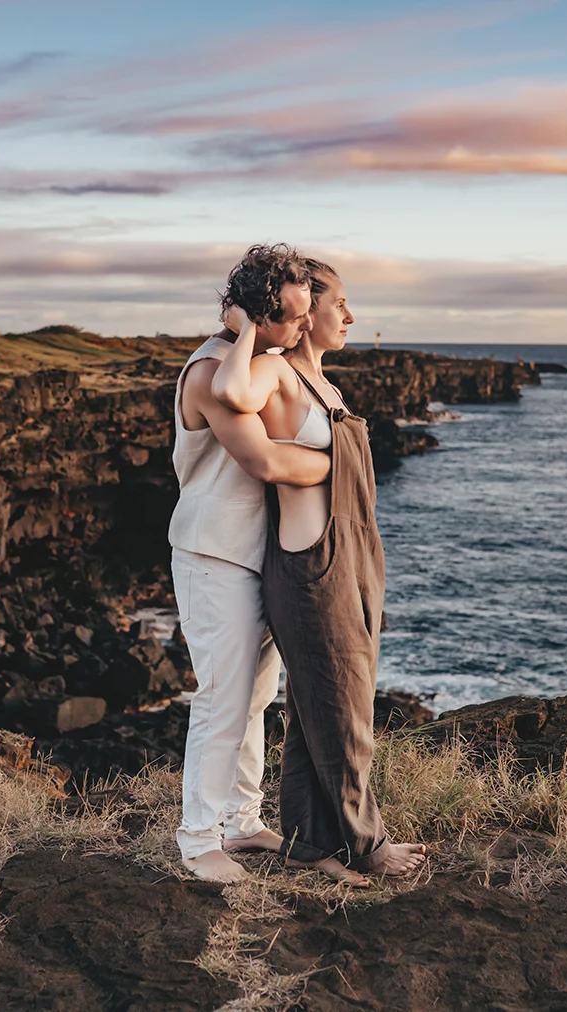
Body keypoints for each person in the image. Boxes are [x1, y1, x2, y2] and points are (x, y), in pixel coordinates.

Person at [211, 258, 427, 887]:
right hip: (312, 565)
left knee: (315, 711)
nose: (350, 317)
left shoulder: (325, 386)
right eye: (339, 306)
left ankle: (309, 841)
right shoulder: (274, 370)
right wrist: (247, 326)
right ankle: (367, 843)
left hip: (353, 557)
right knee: (344, 710)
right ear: (305, 319)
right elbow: (231, 395)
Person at [168, 244, 327, 885]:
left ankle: (239, 818)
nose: (303, 327)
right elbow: (262, 462)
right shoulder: (211, 373)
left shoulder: (258, 363)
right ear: (254, 317)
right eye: (290, 317)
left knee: (255, 697)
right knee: (222, 700)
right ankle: (199, 839)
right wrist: (345, 466)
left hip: (252, 555)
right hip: (213, 555)